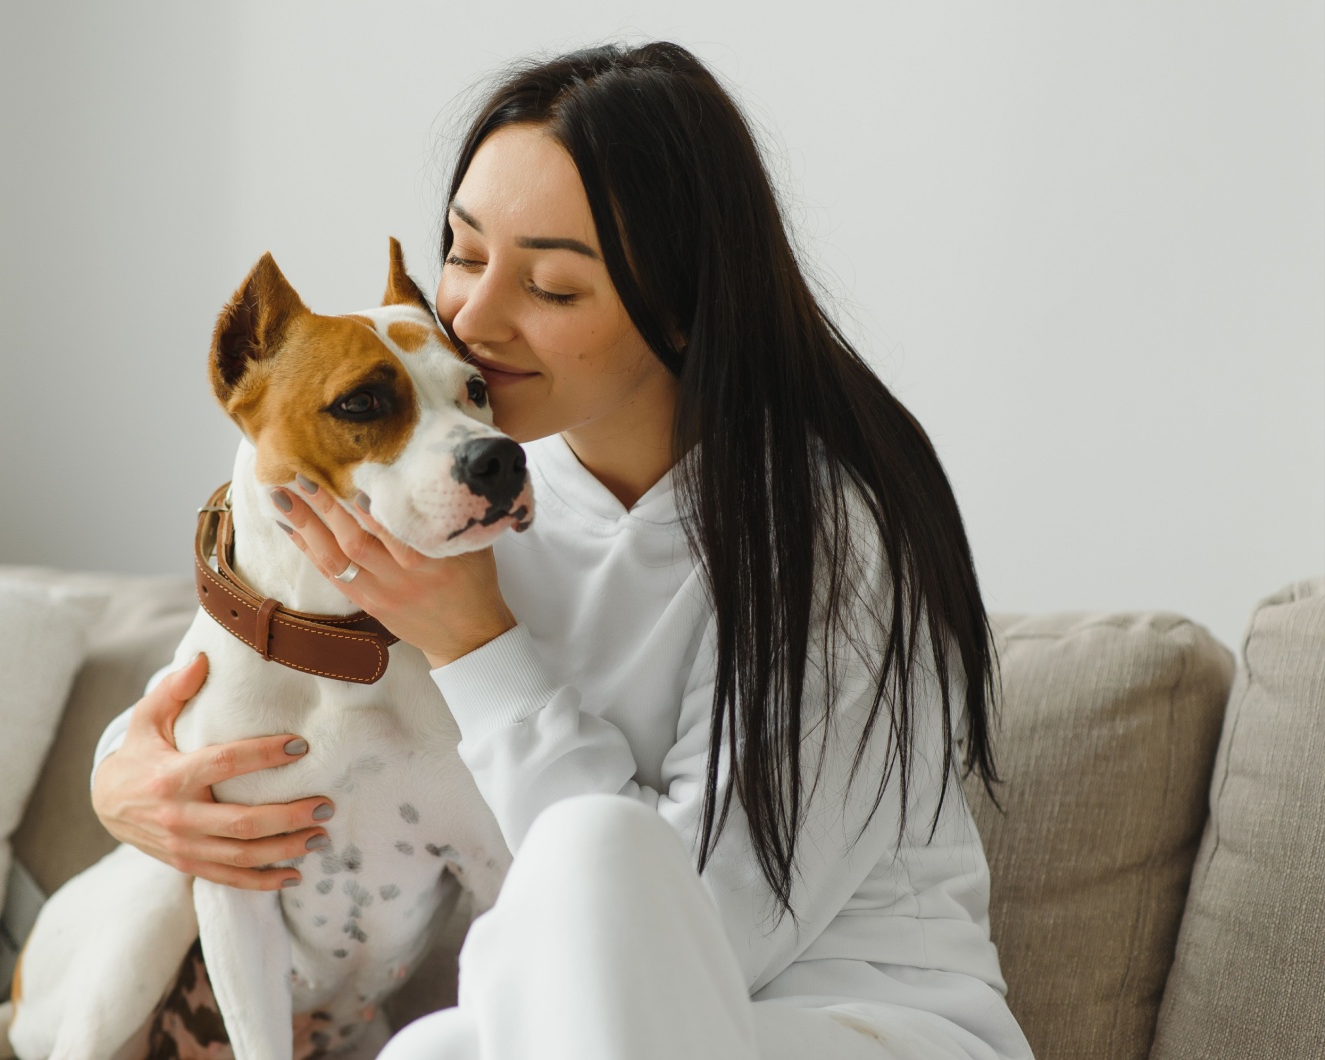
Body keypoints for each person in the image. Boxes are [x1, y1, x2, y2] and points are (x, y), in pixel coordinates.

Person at [92, 41, 1034, 1060]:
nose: (473, 318)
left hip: (842, 1028)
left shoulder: (826, 540)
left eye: (549, 286)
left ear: (677, 306)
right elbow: (237, 685)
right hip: (557, 1028)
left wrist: (477, 643)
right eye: (461, 252)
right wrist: (125, 784)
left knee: (588, 849)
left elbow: (694, 933)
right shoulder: (458, 497)